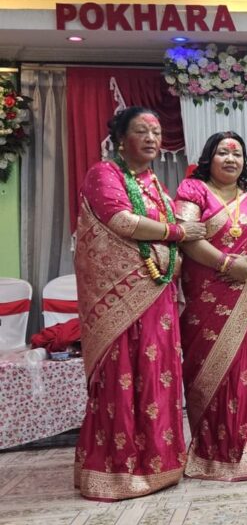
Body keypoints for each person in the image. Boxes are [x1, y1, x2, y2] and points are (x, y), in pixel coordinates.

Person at [73, 106, 206, 500]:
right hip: (120, 300)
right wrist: (177, 231)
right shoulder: (104, 174)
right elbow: (121, 221)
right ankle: (117, 471)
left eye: (156, 132)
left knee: (156, 373)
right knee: (123, 376)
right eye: (141, 131)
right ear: (120, 138)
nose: (151, 138)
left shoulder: (154, 184)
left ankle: (158, 464)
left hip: (157, 296)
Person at [175, 132, 247, 480]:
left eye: (237, 153)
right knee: (209, 369)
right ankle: (213, 453)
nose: (230, 159)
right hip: (206, 298)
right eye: (223, 152)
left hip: (246, 294)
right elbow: (187, 236)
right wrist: (226, 263)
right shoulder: (193, 191)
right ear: (208, 158)